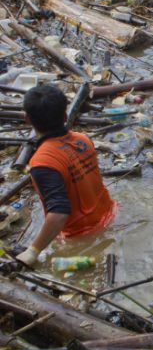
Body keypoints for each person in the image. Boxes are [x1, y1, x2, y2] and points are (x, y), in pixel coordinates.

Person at [15, 84, 116, 267]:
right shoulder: (83, 140)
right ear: (64, 116)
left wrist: (33, 251)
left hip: (81, 236)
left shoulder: (42, 162)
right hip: (111, 214)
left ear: (27, 119)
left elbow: (59, 213)